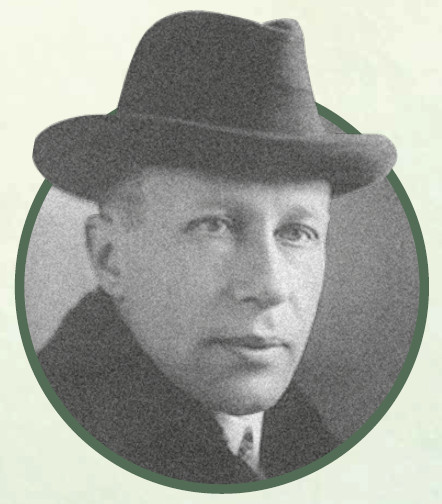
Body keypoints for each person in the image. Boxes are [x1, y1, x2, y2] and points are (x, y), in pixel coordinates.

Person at [32, 11, 397, 484]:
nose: (269, 287)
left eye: (296, 232)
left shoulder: (304, 444)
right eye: (215, 225)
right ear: (110, 258)